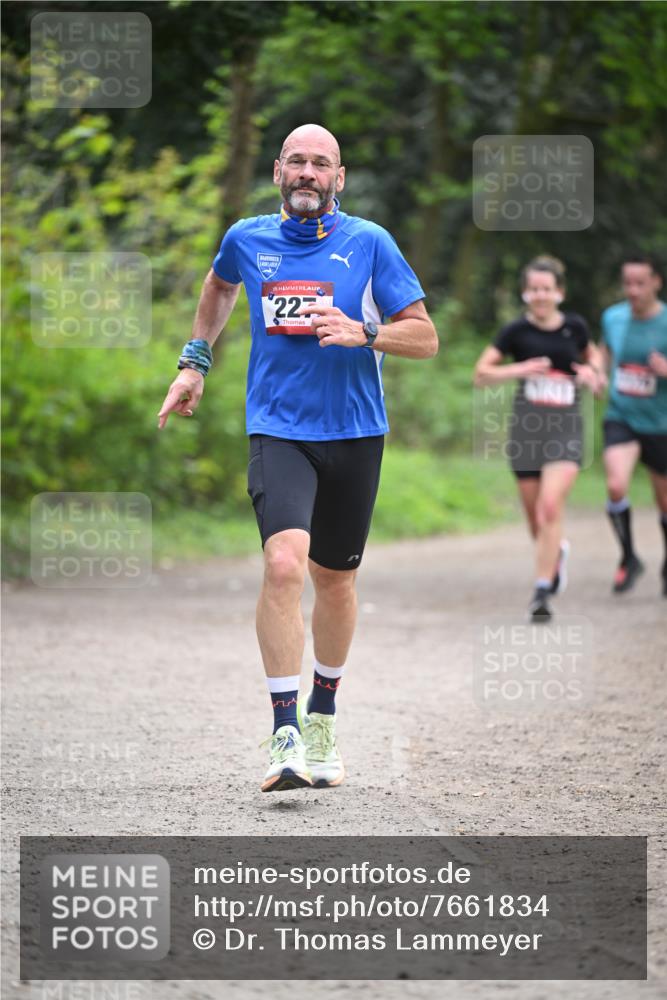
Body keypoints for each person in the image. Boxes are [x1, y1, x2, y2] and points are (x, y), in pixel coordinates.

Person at [157, 124, 438, 792]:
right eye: (297, 162)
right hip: (277, 428)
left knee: (334, 581)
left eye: (321, 163)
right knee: (283, 564)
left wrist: (365, 332)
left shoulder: (369, 243)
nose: (308, 173)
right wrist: (195, 361)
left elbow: (425, 338)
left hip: (354, 432)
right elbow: (220, 285)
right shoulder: (247, 239)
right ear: (278, 171)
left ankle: (322, 717)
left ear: (339, 177)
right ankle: (283, 733)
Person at [474, 255, 605, 622]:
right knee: (535, 516)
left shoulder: (575, 328)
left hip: (566, 430)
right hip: (526, 433)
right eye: (533, 289)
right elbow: (481, 374)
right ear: (525, 294)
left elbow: (596, 368)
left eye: (547, 288)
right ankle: (555, 555)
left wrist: (591, 375)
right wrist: (521, 368)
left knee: (550, 507)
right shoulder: (515, 332)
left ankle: (542, 591)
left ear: (559, 292)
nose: (540, 295)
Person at [600, 254, 667, 596]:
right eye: (627, 283)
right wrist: (597, 374)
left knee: (665, 503)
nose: (633, 290)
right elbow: (604, 356)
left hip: (661, 422)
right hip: (621, 415)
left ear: (656, 282)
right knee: (615, 485)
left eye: (640, 283)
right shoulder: (613, 317)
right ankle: (628, 557)